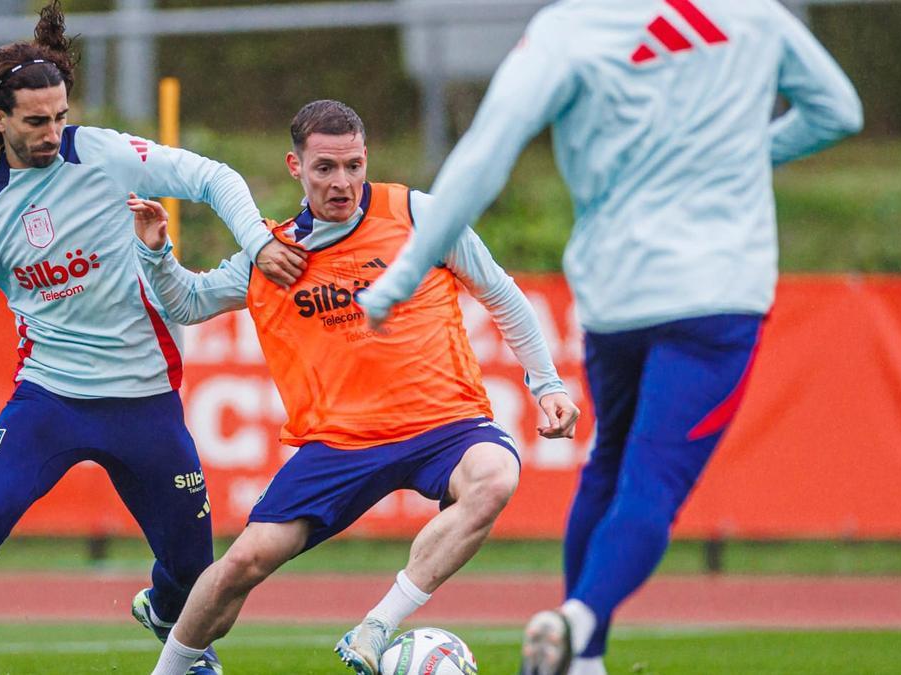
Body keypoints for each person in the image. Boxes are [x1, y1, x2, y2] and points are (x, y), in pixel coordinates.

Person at [356, 2, 863, 674]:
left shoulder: (572, 27)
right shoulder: (753, 16)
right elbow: (839, 112)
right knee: (653, 482)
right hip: (720, 297)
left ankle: (583, 660)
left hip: (616, 299)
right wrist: (743, 157)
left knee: (608, 467)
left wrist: (406, 272)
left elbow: (486, 152)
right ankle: (581, 616)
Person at [0, 3, 306, 674]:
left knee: (193, 572)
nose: (53, 131)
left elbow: (212, 176)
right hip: (49, 399)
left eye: (60, 116)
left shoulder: (105, 155)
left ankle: (163, 606)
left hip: (144, 399)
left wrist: (257, 240)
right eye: (37, 121)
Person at [133, 99, 580, 675]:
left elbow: (501, 293)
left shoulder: (418, 215)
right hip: (340, 443)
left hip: (444, 424)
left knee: (496, 475)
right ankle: (171, 667)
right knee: (244, 563)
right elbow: (186, 303)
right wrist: (155, 250)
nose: (342, 182)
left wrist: (547, 383)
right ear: (295, 166)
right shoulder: (273, 254)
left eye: (353, 165)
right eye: (325, 168)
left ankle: (376, 627)